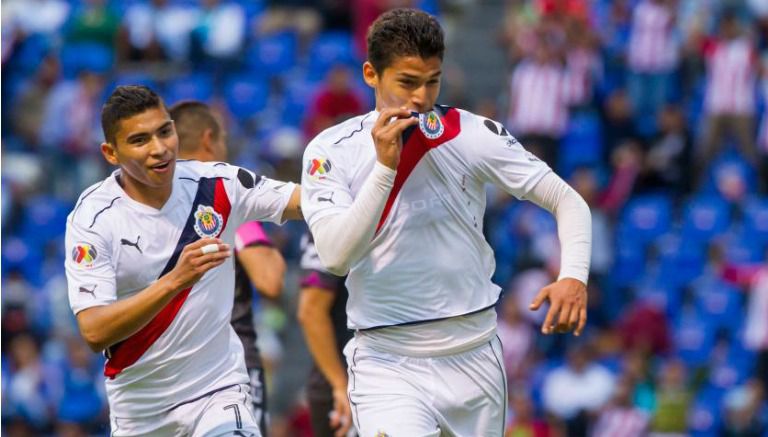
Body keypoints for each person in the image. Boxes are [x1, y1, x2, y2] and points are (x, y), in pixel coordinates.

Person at [300, 9, 592, 436]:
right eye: (407, 82)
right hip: (386, 358)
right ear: (370, 74)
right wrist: (384, 169)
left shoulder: (471, 134)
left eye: (432, 81)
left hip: (473, 351)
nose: (420, 96)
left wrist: (574, 276)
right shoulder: (331, 151)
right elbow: (336, 255)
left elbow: (567, 200)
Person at [64, 85, 301, 436]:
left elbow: (309, 200)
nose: (159, 149)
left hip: (218, 391)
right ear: (110, 153)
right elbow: (94, 330)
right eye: (140, 140)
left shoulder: (219, 184)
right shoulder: (94, 218)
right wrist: (176, 279)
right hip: (141, 410)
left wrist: (381, 170)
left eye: (165, 131)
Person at [169, 100, 287, 436]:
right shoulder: (222, 199)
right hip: (229, 372)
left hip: (166, 374)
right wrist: (244, 224)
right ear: (209, 140)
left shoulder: (150, 204)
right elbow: (270, 279)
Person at [296, 233, 354, 437]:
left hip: (391, 376)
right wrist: (340, 385)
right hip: (346, 388)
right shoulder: (332, 215)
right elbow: (311, 311)